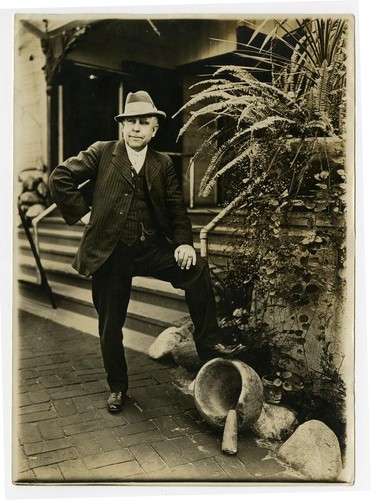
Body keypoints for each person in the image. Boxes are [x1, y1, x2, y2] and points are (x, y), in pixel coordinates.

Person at [49, 90, 243, 413]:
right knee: (110, 322)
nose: (136, 128)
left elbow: (176, 207)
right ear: (122, 127)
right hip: (113, 249)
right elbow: (60, 178)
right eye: (131, 122)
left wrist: (183, 242)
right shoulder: (102, 153)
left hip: (152, 246)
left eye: (144, 123)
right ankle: (118, 387)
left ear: (154, 129)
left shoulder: (162, 163)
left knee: (196, 269)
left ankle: (208, 344)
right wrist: (84, 213)